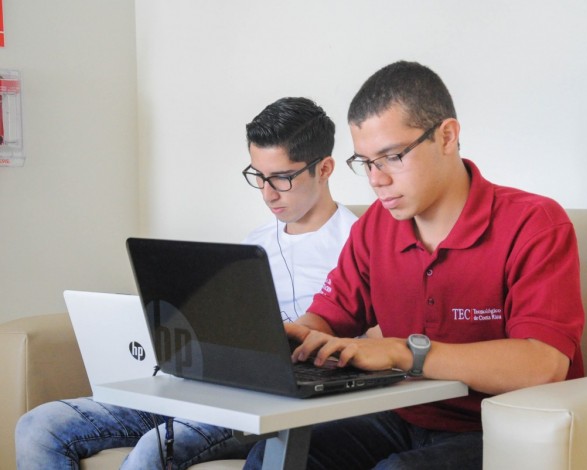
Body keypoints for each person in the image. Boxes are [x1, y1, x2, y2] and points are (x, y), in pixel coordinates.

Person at [244, 61, 585, 470]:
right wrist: (285, 340)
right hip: (404, 416)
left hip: (506, 431)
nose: (376, 179)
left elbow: (543, 364)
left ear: (447, 136)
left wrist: (405, 353)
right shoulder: (376, 226)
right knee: (280, 456)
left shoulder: (534, 224)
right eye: (366, 162)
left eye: (391, 157)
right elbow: (328, 320)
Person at [15, 97, 358, 469]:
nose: (267, 192)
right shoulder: (253, 244)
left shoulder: (358, 244)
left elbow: (368, 343)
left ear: (324, 169)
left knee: (154, 449)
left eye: (281, 178)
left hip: (270, 403)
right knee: (39, 427)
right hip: (203, 388)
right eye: (257, 176)